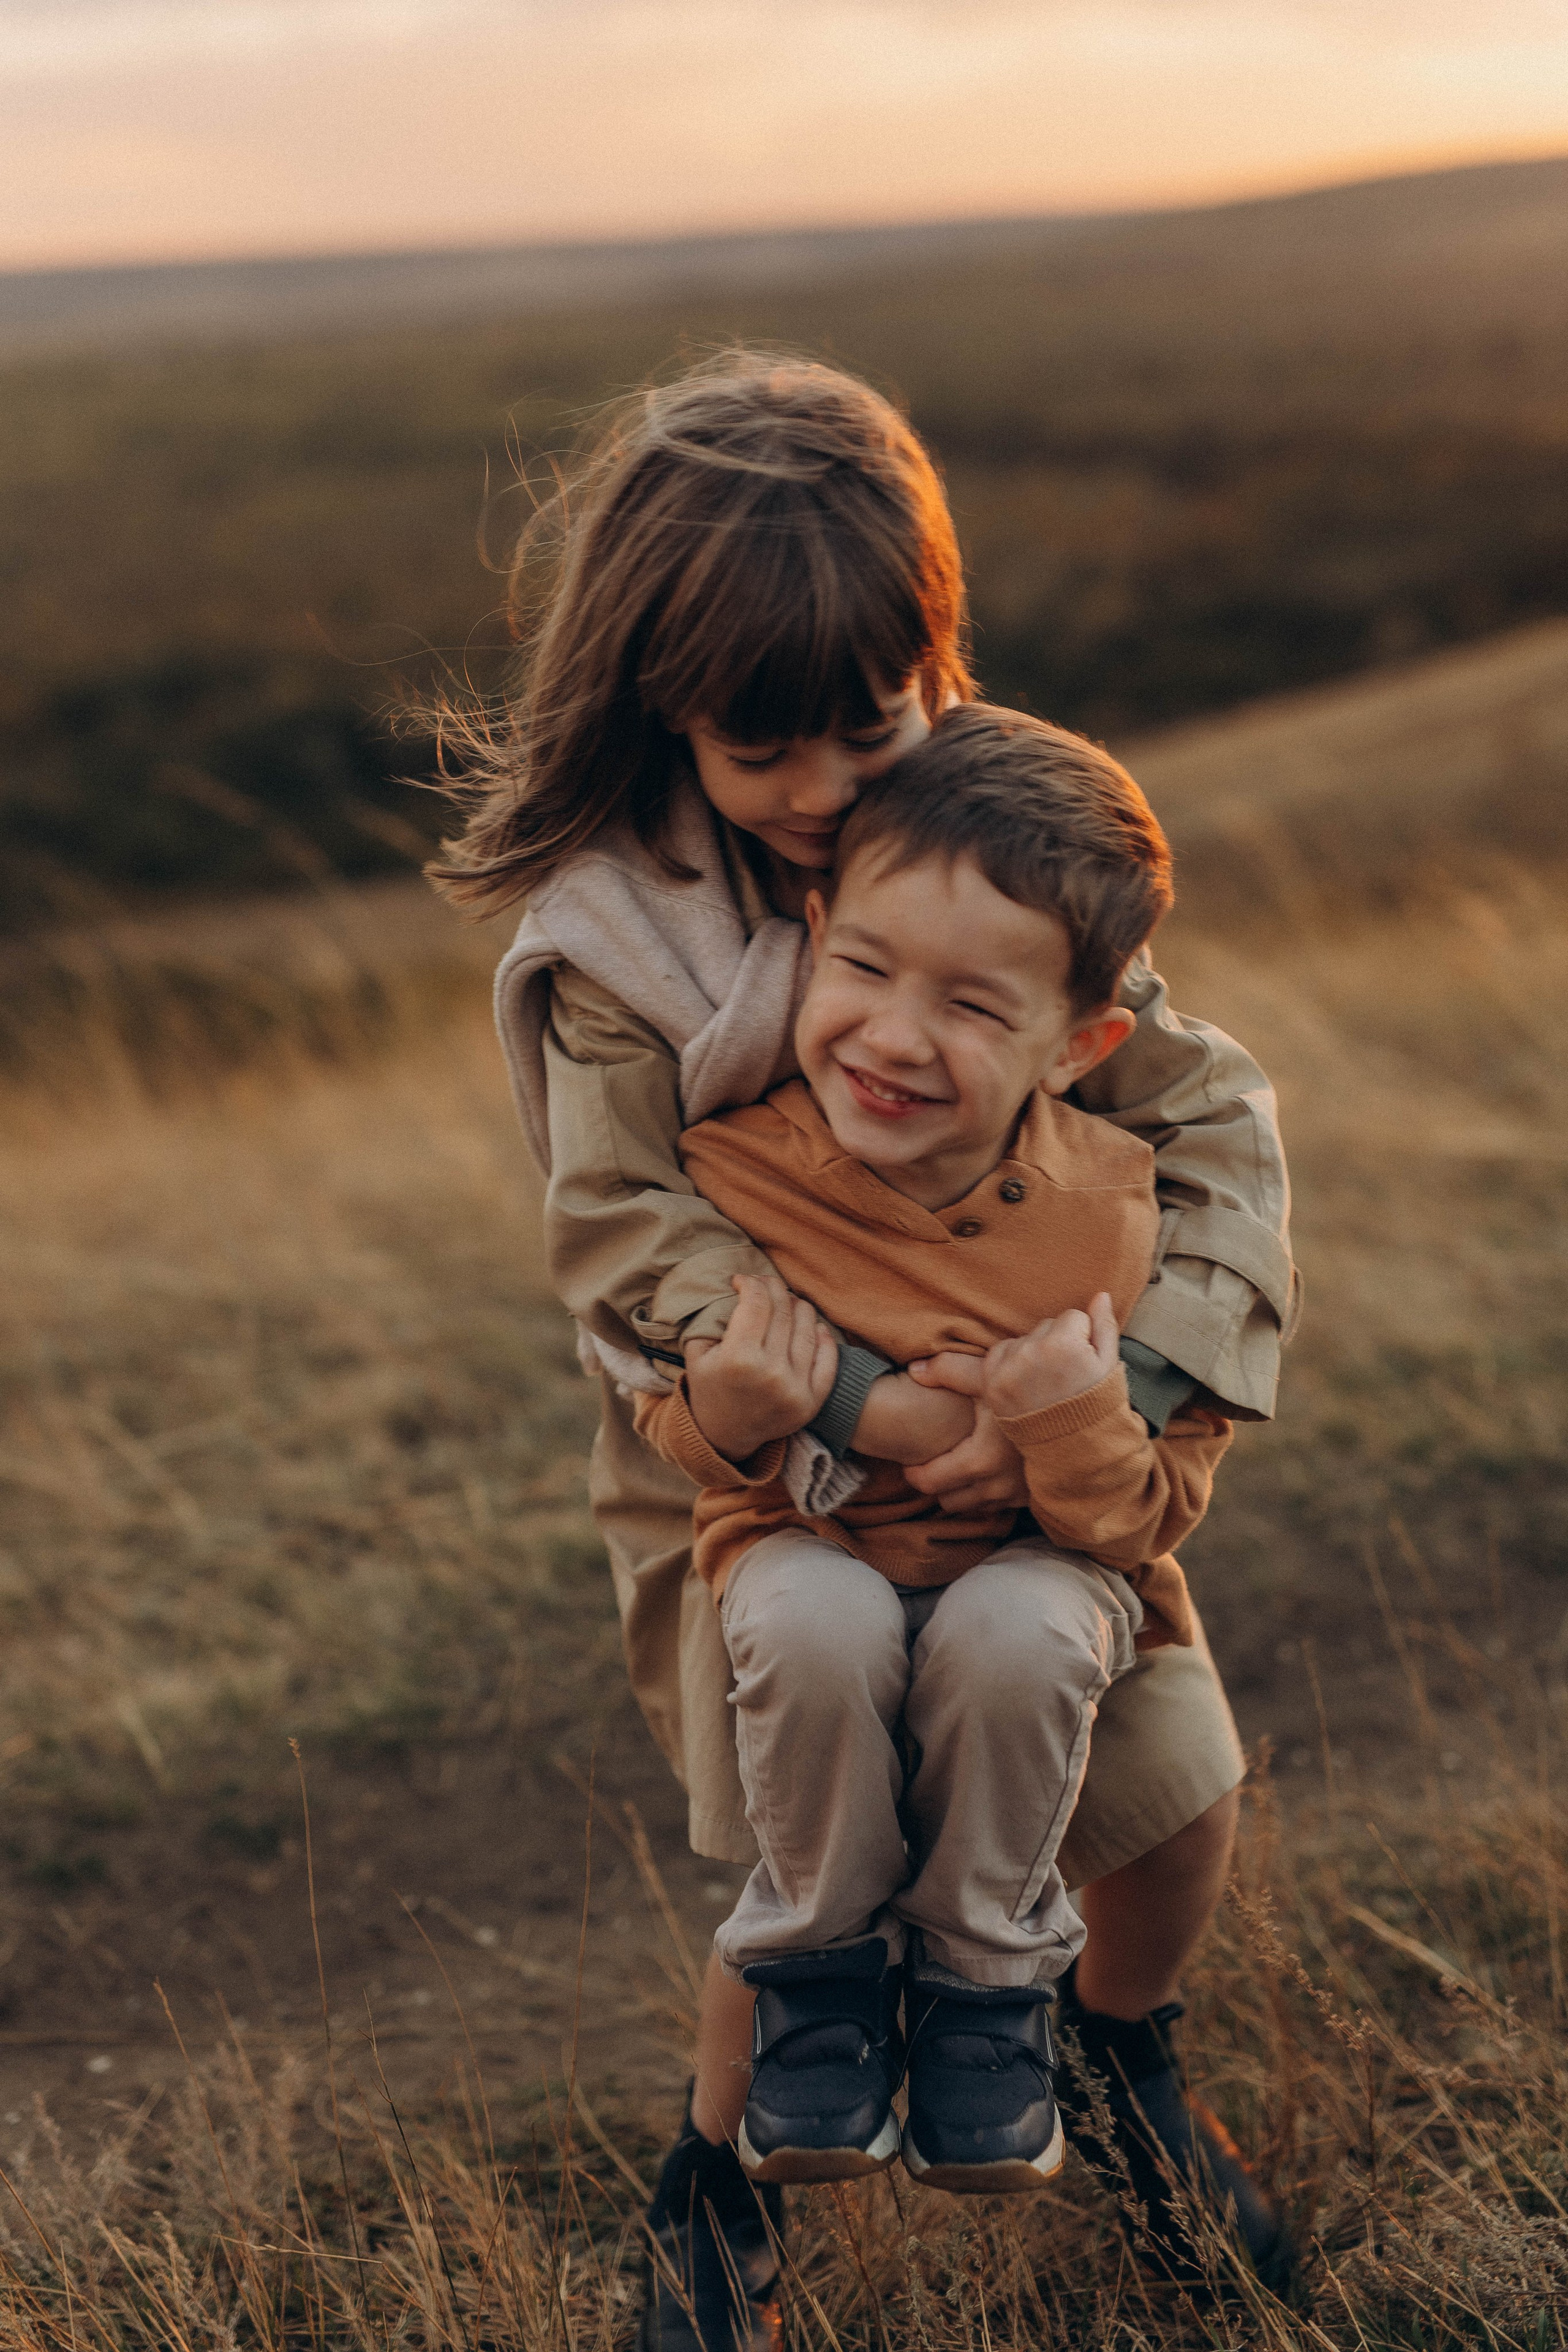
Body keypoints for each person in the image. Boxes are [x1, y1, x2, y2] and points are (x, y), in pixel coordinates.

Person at [429, 351, 1298, 2346]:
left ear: (936, 664)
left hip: (1024, 1421)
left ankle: (1115, 2055)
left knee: (1170, 1786)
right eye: (767, 752)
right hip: (745, 1452)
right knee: (806, 1832)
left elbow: (1199, 1114)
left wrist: (1126, 1390)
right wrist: (858, 1402)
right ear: (663, 703)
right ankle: (722, 2194)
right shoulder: (614, 943)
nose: (828, 798)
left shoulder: (980, 835)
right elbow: (623, 1235)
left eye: (869, 729)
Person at [633, 704, 1234, 2207]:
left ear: (1082, 1043)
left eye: (974, 1007)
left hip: (1037, 1579)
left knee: (1030, 1636)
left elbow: (1149, 1512)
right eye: (863, 971)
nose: (895, 1039)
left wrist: (1063, 1418)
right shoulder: (736, 1169)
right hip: (809, 1560)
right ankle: (797, 2022)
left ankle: (995, 1998)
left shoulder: (1121, 1212)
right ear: (814, 936)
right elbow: (675, 1428)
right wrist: (743, 1410)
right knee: (812, 1623)